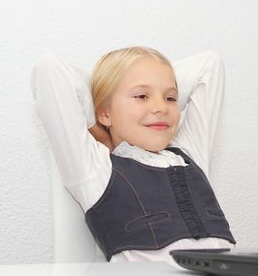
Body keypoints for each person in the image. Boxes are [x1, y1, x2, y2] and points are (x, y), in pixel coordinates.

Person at [31, 46, 235, 263]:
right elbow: (49, 69)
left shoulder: (189, 153)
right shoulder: (96, 170)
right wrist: (97, 127)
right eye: (141, 96)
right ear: (105, 113)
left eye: (170, 98)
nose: (160, 107)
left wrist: (150, 73)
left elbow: (210, 65)